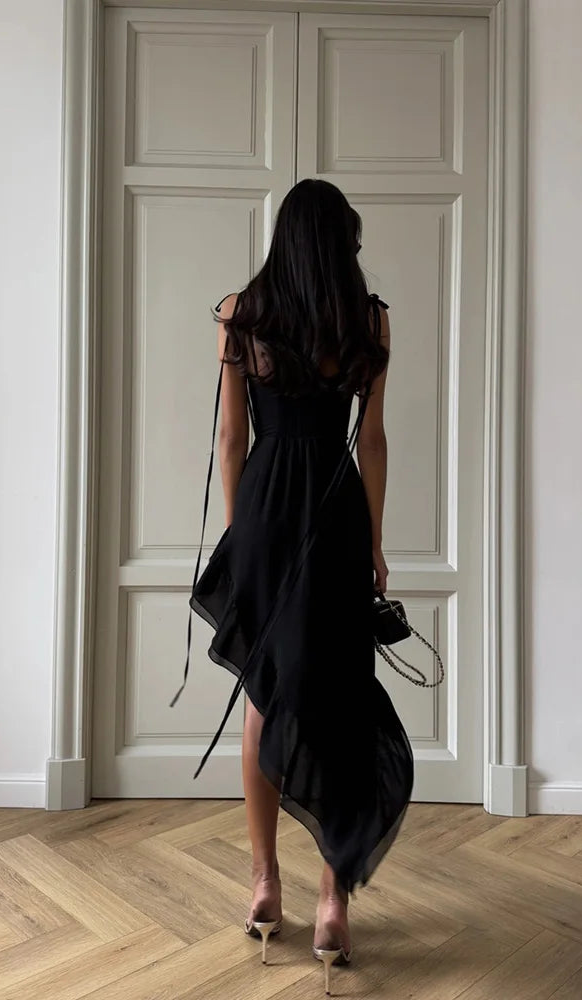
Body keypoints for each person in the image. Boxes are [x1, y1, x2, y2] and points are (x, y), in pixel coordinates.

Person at [176, 178, 413, 995]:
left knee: (264, 698)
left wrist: (242, 539)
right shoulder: (367, 322)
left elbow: (231, 437)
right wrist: (375, 542)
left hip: (269, 517)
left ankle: (262, 884)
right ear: (339, 241)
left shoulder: (242, 315)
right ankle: (330, 899)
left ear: (282, 239)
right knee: (340, 698)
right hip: (335, 515)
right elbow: (372, 443)